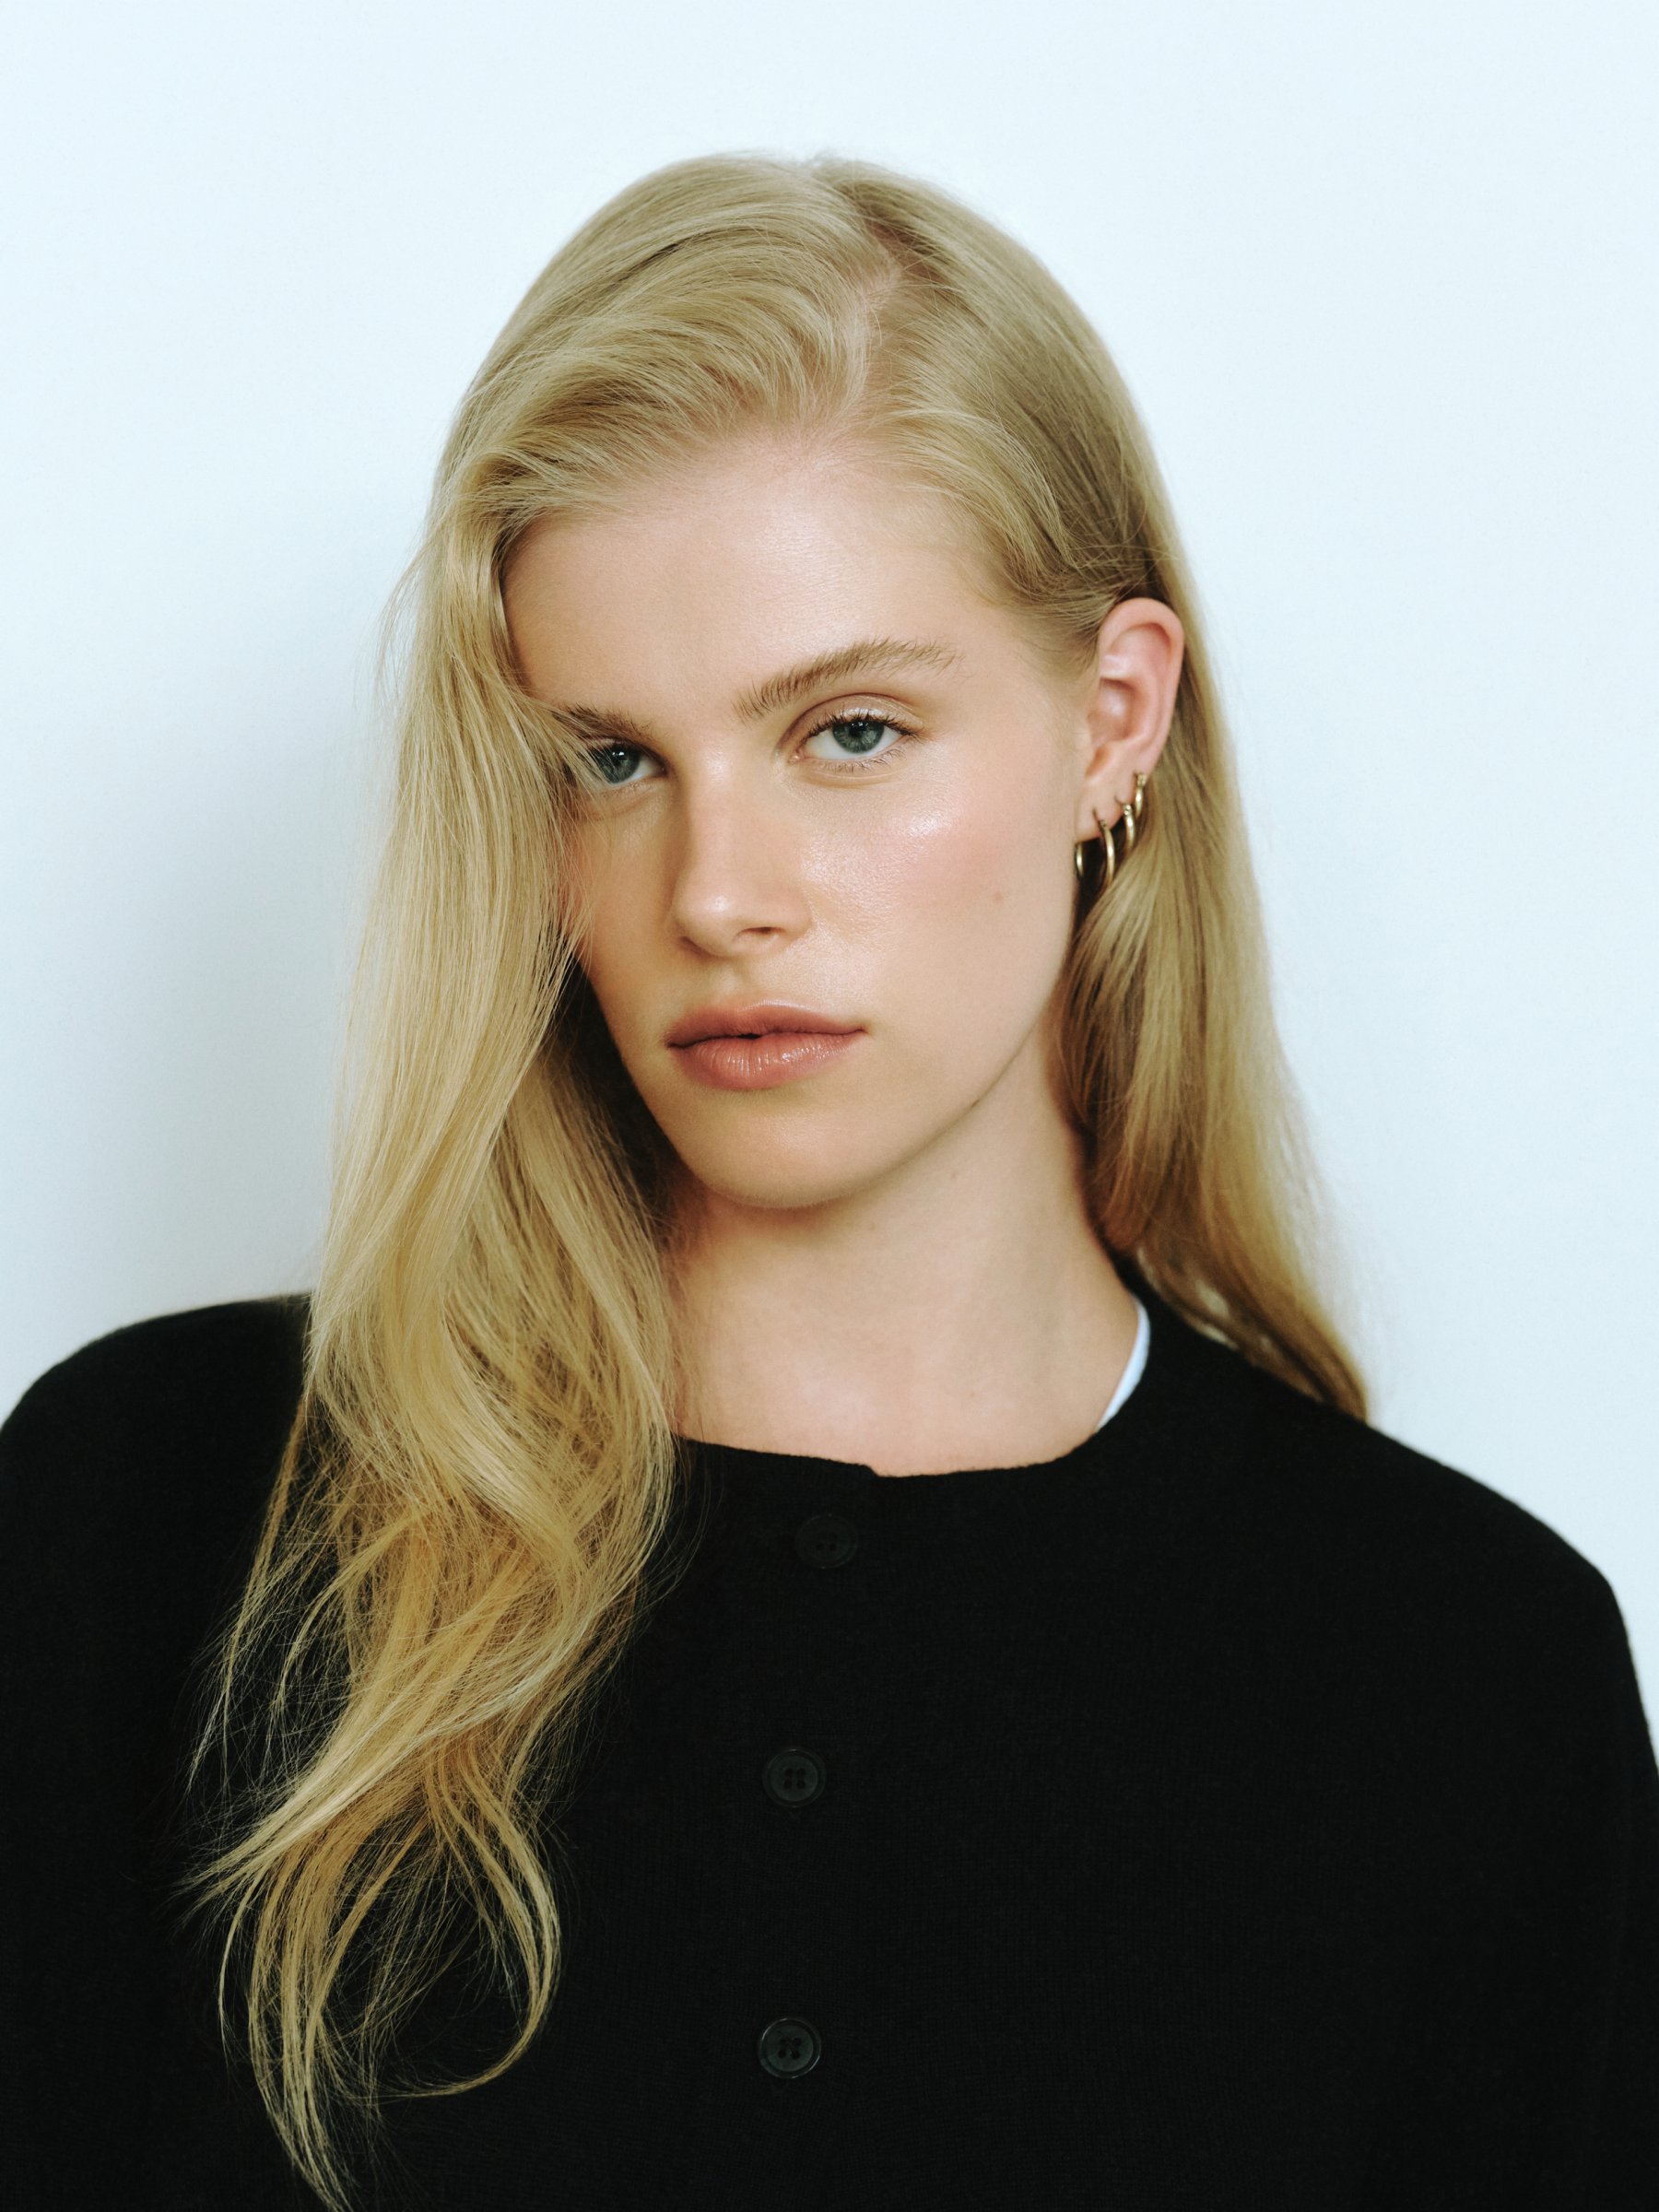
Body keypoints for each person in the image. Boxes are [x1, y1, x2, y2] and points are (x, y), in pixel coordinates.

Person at [1, 151, 1653, 2212]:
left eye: (850, 734)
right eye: (614, 760)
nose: (718, 893)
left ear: (1112, 722)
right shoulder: (155, 1522)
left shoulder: (1466, 1685)